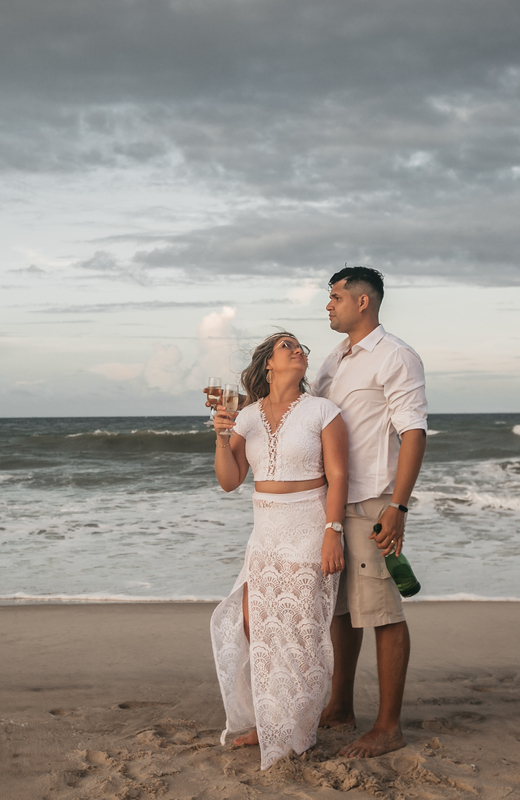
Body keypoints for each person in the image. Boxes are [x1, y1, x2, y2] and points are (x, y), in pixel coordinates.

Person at [210, 331, 349, 770]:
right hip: (265, 532)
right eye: (288, 346)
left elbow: (339, 476)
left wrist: (333, 530)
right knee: (255, 625)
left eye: (301, 348)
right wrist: (220, 435)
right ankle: (268, 720)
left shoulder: (323, 411)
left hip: (309, 526)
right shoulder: (247, 417)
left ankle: (298, 730)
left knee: (300, 631)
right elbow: (230, 480)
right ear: (268, 363)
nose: (298, 351)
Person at [312, 266, 428, 758]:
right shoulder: (334, 360)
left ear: (364, 302)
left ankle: (388, 726)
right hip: (332, 504)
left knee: (382, 611)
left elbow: (413, 433)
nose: (328, 305)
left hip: (373, 500)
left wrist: (398, 506)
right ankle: (340, 705)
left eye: (336, 296)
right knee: (342, 610)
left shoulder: (395, 356)